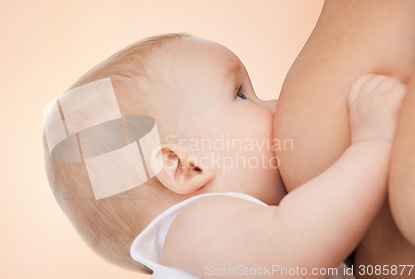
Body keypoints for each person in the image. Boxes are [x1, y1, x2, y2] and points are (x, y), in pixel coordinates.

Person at [42, 33, 406, 278]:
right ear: (185, 166)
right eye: (242, 95)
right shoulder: (189, 230)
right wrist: (372, 146)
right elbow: (290, 246)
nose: (277, 105)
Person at [274, 1, 415, 276]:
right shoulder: (196, 225)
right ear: (182, 165)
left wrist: (372, 144)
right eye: (239, 95)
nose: (270, 103)